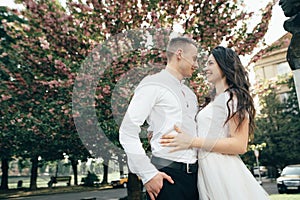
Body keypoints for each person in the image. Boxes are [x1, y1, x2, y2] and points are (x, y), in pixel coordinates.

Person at [160, 46, 270, 200]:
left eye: (210, 63)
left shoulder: (233, 98)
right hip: (206, 168)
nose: (205, 68)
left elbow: (239, 144)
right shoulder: (215, 100)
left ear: (224, 65)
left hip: (222, 170)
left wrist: (192, 142)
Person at [119, 37, 200, 200]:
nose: (196, 64)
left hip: (195, 178)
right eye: (194, 58)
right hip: (166, 176)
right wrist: (148, 174)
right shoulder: (152, 84)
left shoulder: (190, 95)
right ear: (179, 54)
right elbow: (127, 130)